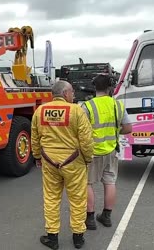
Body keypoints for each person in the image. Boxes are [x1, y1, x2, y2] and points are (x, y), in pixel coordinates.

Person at [31, 80, 94, 249]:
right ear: (65, 93)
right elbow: (86, 140)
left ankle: (52, 237)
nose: (73, 95)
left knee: (51, 198)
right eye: (72, 92)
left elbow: (35, 137)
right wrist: (87, 158)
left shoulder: (40, 111)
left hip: (49, 161)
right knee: (77, 199)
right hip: (74, 162)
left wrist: (37, 156)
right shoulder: (76, 111)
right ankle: (78, 237)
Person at [81, 74, 132, 230]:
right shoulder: (118, 105)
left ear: (94, 87)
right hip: (111, 150)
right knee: (110, 182)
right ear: (110, 88)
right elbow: (128, 129)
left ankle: (90, 219)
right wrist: (115, 132)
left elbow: (80, 131)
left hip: (92, 152)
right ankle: (106, 216)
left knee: (87, 184)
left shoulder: (87, 106)